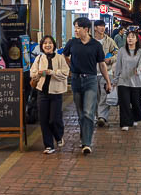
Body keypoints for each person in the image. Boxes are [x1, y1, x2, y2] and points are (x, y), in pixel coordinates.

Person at [62, 17, 112, 155]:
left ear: (86, 29)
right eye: (75, 28)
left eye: (78, 28)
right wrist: (71, 67)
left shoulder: (96, 45)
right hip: (76, 81)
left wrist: (108, 81)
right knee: (80, 114)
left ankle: (87, 143)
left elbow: (101, 64)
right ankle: (84, 136)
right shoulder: (72, 43)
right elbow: (64, 55)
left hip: (91, 80)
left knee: (88, 112)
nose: (76, 30)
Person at [29, 36, 69, 154]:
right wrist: (38, 74)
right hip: (42, 93)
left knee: (54, 119)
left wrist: (52, 72)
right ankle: (49, 145)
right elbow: (32, 73)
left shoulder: (60, 58)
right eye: (45, 43)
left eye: (50, 43)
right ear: (41, 46)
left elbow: (65, 73)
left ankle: (58, 136)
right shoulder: (39, 58)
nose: (47, 45)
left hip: (56, 93)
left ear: (54, 45)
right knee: (44, 120)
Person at [113, 30, 141, 130]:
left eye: (132, 37)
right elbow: (118, 66)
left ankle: (135, 117)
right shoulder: (122, 51)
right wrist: (115, 80)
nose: (130, 39)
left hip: (138, 82)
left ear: (137, 39)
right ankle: (125, 123)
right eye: (128, 37)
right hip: (123, 81)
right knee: (124, 103)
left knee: (137, 104)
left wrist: (138, 69)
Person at [92, 19, 118, 128]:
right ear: (95, 28)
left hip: (107, 72)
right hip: (92, 72)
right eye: (100, 26)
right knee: (94, 96)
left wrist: (110, 59)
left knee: (104, 95)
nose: (102, 28)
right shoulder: (90, 41)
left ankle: (102, 117)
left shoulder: (110, 41)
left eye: (103, 26)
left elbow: (117, 53)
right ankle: (97, 116)